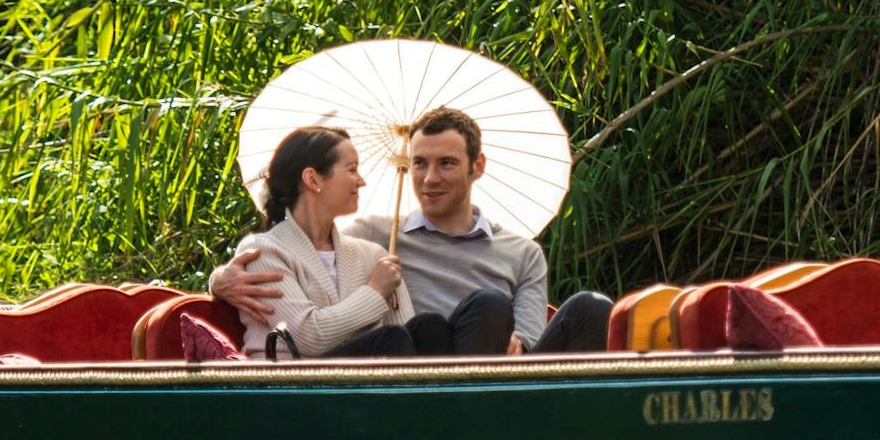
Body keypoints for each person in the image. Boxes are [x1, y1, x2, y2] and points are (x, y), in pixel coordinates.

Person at [214, 107, 613, 353]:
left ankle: (576, 427)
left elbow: (527, 332)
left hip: (502, 363)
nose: (428, 178)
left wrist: (520, 344)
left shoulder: (522, 252)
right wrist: (220, 280)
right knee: (471, 311)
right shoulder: (377, 236)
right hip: (426, 363)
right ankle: (468, 422)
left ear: (477, 167)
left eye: (446, 164)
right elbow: (295, 246)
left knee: (589, 307)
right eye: (419, 163)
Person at [230, 126, 456, 357]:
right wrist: (375, 290)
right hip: (295, 383)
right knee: (391, 337)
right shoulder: (263, 251)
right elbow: (308, 338)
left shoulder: (373, 255)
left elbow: (410, 340)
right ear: (312, 178)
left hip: (361, 377)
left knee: (430, 326)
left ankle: (442, 393)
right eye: (352, 169)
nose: (361, 181)